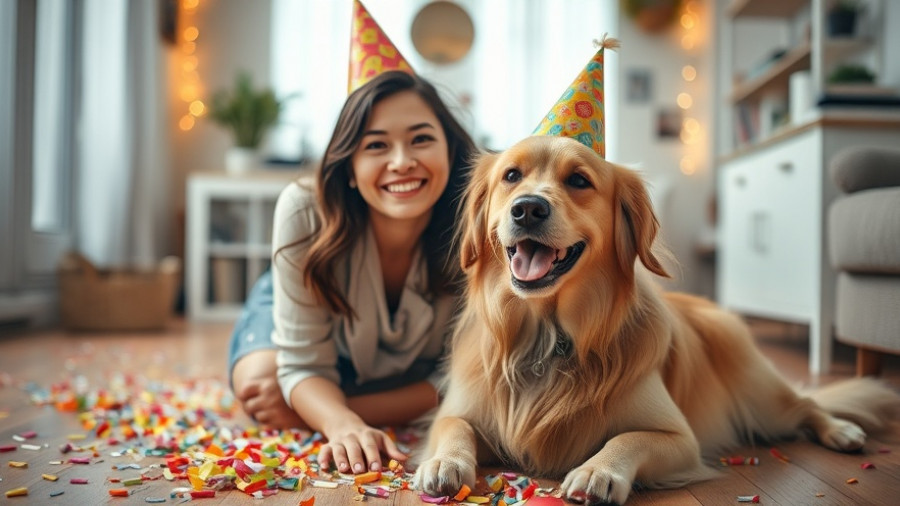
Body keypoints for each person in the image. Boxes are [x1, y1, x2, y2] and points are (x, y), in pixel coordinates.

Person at [228, 69, 478, 476]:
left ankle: (342, 393)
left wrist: (327, 411)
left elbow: (464, 381)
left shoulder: (480, 224)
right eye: (376, 145)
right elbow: (303, 366)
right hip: (296, 293)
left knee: (290, 397)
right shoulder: (305, 209)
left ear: (450, 151)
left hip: (411, 359)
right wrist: (340, 425)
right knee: (261, 386)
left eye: (421, 139)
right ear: (348, 165)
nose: (402, 162)